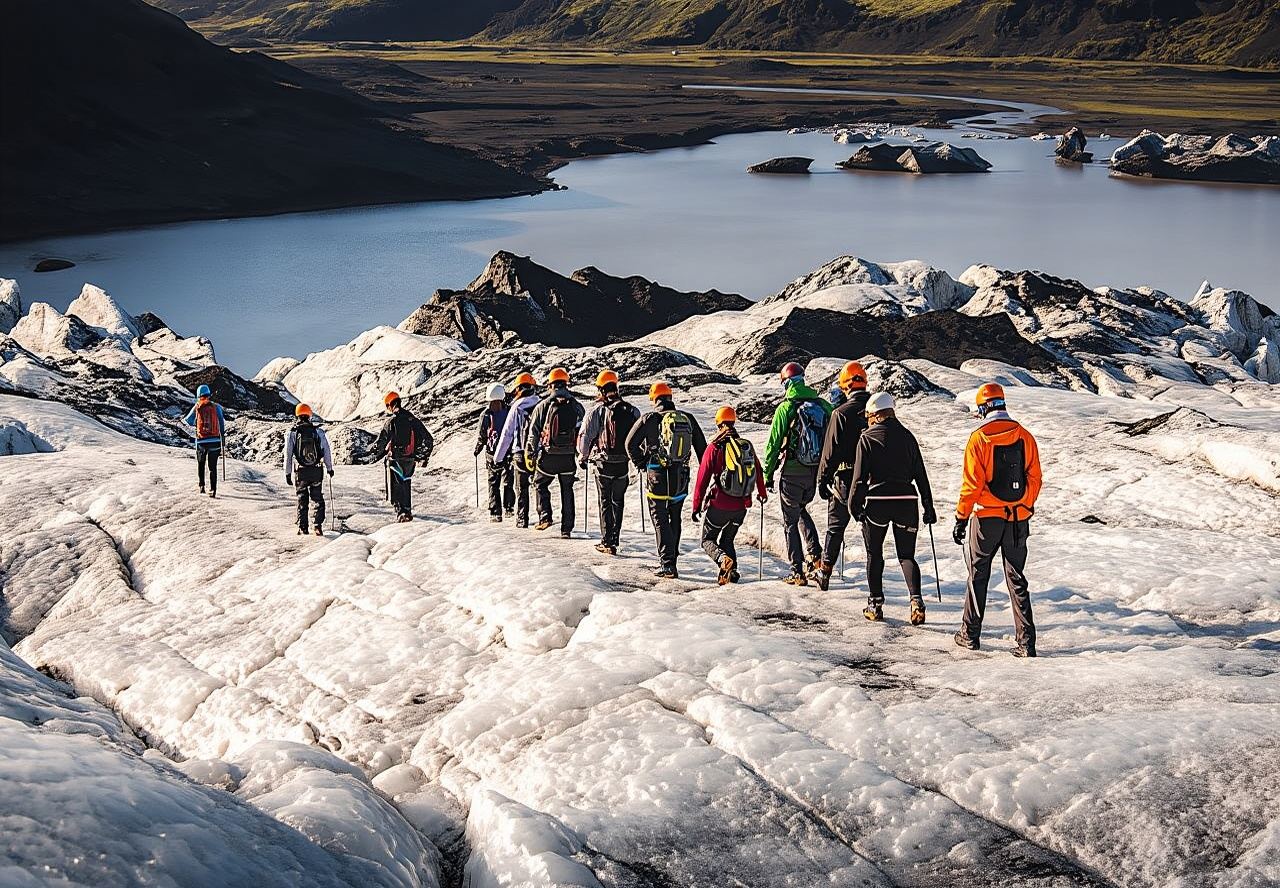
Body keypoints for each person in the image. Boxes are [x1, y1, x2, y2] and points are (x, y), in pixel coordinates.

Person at [953, 383, 1043, 658]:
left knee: (978, 575)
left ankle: (970, 635)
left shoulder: (978, 439)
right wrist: (1024, 505)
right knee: (1016, 578)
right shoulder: (1024, 436)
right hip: (1018, 518)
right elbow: (1035, 478)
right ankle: (1026, 643)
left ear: (983, 408)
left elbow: (971, 485)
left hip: (987, 518)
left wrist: (961, 517)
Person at [849, 392, 936, 624]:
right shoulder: (908, 437)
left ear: (876, 415)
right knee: (907, 555)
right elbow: (921, 474)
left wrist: (854, 506)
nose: (867, 420)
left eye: (868, 416)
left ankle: (875, 605)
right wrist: (928, 506)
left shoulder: (867, 439)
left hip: (877, 503)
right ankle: (916, 600)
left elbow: (859, 479)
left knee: (874, 554)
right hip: (908, 501)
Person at [625, 381, 707, 579]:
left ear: (654, 399)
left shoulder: (649, 419)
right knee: (675, 517)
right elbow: (702, 450)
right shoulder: (687, 419)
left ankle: (668, 564)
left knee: (660, 518)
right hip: (680, 478)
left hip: (657, 478)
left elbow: (629, 444)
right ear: (670, 397)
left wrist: (642, 463)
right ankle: (673, 556)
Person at [763, 362, 832, 585]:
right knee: (801, 509)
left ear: (785, 383)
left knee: (790, 521)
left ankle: (797, 571)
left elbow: (773, 444)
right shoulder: (822, 405)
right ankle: (816, 556)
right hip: (815, 472)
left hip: (792, 472)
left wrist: (767, 475)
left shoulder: (786, 408)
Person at [811, 361, 871, 591]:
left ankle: (825, 572)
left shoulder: (841, 413)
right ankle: (875, 586)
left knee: (836, 528)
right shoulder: (877, 411)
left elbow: (830, 451)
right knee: (871, 534)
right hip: (874, 481)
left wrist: (823, 480)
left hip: (846, 480)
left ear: (844, 386)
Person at [691, 406, 766, 585]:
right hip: (741, 507)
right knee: (727, 539)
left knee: (707, 540)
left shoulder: (715, 447)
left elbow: (702, 479)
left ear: (718, 424)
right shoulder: (745, 446)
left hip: (719, 506)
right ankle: (732, 573)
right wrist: (761, 493)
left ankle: (723, 560)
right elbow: (758, 470)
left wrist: (696, 506)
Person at [578, 369, 640, 555]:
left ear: (602, 390)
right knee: (618, 501)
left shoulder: (597, 412)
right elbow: (639, 438)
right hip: (623, 464)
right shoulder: (632, 410)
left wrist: (583, 457)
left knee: (605, 501)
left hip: (603, 464)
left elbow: (585, 438)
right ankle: (615, 538)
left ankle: (607, 542)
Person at [525, 368, 586, 538]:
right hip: (568, 458)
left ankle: (545, 517)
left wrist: (531, 452)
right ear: (566, 383)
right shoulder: (576, 406)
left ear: (550, 384)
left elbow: (534, 432)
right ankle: (566, 529)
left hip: (549, 457)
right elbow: (582, 432)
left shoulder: (543, 406)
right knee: (567, 489)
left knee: (540, 483)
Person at [374, 391, 433, 523]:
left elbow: (381, 442)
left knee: (397, 483)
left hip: (396, 457)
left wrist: (373, 455)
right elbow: (428, 439)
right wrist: (422, 456)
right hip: (411, 458)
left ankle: (401, 512)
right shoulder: (412, 419)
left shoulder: (392, 422)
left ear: (390, 405)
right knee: (406, 481)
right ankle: (407, 510)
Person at [494, 372, 540, 528]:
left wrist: (498, 457)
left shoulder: (517, 407)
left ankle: (522, 519)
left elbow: (507, 433)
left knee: (521, 487)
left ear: (518, 389)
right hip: (537, 451)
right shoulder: (541, 404)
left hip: (520, 451)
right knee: (539, 485)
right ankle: (543, 517)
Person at [284, 404, 334, 536]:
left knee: (302, 499)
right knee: (317, 498)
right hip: (316, 471)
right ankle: (317, 526)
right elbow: (326, 451)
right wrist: (329, 468)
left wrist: (287, 473)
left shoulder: (293, 433)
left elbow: (288, 454)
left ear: (297, 415)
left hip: (301, 472)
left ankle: (303, 528)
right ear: (309, 415)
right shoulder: (318, 432)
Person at [475, 382, 514, 523]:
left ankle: (495, 512)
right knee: (508, 481)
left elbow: (482, 435)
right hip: (508, 452)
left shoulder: (485, 414)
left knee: (493, 482)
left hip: (491, 454)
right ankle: (509, 508)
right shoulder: (510, 411)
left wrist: (478, 448)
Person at [183, 383, 226, 498]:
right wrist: (222, 438)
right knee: (212, 467)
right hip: (215, 442)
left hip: (201, 441)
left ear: (198, 395)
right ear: (209, 394)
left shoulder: (197, 407)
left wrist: (198, 423)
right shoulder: (216, 407)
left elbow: (188, 421)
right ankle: (213, 489)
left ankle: (201, 486)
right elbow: (221, 423)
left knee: (201, 464)